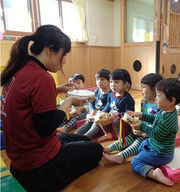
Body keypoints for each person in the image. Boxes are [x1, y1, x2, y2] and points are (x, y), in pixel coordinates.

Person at [0, 25, 103, 192]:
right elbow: (45, 128)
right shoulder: (41, 77)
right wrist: (68, 101)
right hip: (37, 163)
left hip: (19, 160)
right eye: (64, 54)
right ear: (49, 50)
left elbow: (25, 101)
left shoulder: (19, 68)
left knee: (82, 140)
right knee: (96, 150)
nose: (65, 60)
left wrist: (56, 90)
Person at [127, 78, 180, 186]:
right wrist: (141, 115)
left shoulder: (167, 120)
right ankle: (148, 159)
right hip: (156, 146)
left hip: (161, 153)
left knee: (135, 162)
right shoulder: (165, 111)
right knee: (143, 144)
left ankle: (153, 173)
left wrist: (141, 126)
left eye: (158, 95)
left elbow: (156, 135)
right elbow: (154, 118)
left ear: (171, 100)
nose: (155, 98)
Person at [103, 73, 162, 164]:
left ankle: (120, 156)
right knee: (128, 137)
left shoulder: (159, 106)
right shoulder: (144, 101)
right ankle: (109, 148)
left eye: (143, 87)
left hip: (151, 134)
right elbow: (143, 119)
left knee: (138, 142)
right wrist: (136, 126)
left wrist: (144, 131)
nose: (141, 90)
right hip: (142, 130)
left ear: (154, 90)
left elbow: (157, 125)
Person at [98, 68, 135, 141]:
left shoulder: (128, 98)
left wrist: (117, 115)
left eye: (116, 82)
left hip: (122, 124)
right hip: (111, 120)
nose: (112, 84)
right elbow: (108, 105)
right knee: (99, 117)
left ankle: (120, 138)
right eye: (111, 81)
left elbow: (129, 114)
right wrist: (103, 111)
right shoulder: (110, 95)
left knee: (116, 120)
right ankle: (107, 133)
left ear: (126, 84)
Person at [75, 69, 111, 139]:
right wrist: (92, 110)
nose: (99, 82)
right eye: (97, 79)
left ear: (109, 81)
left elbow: (108, 105)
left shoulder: (110, 94)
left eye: (102, 79)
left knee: (96, 124)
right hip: (95, 113)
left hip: (103, 115)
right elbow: (91, 102)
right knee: (88, 122)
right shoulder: (96, 91)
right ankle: (76, 134)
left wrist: (100, 113)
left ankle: (86, 137)